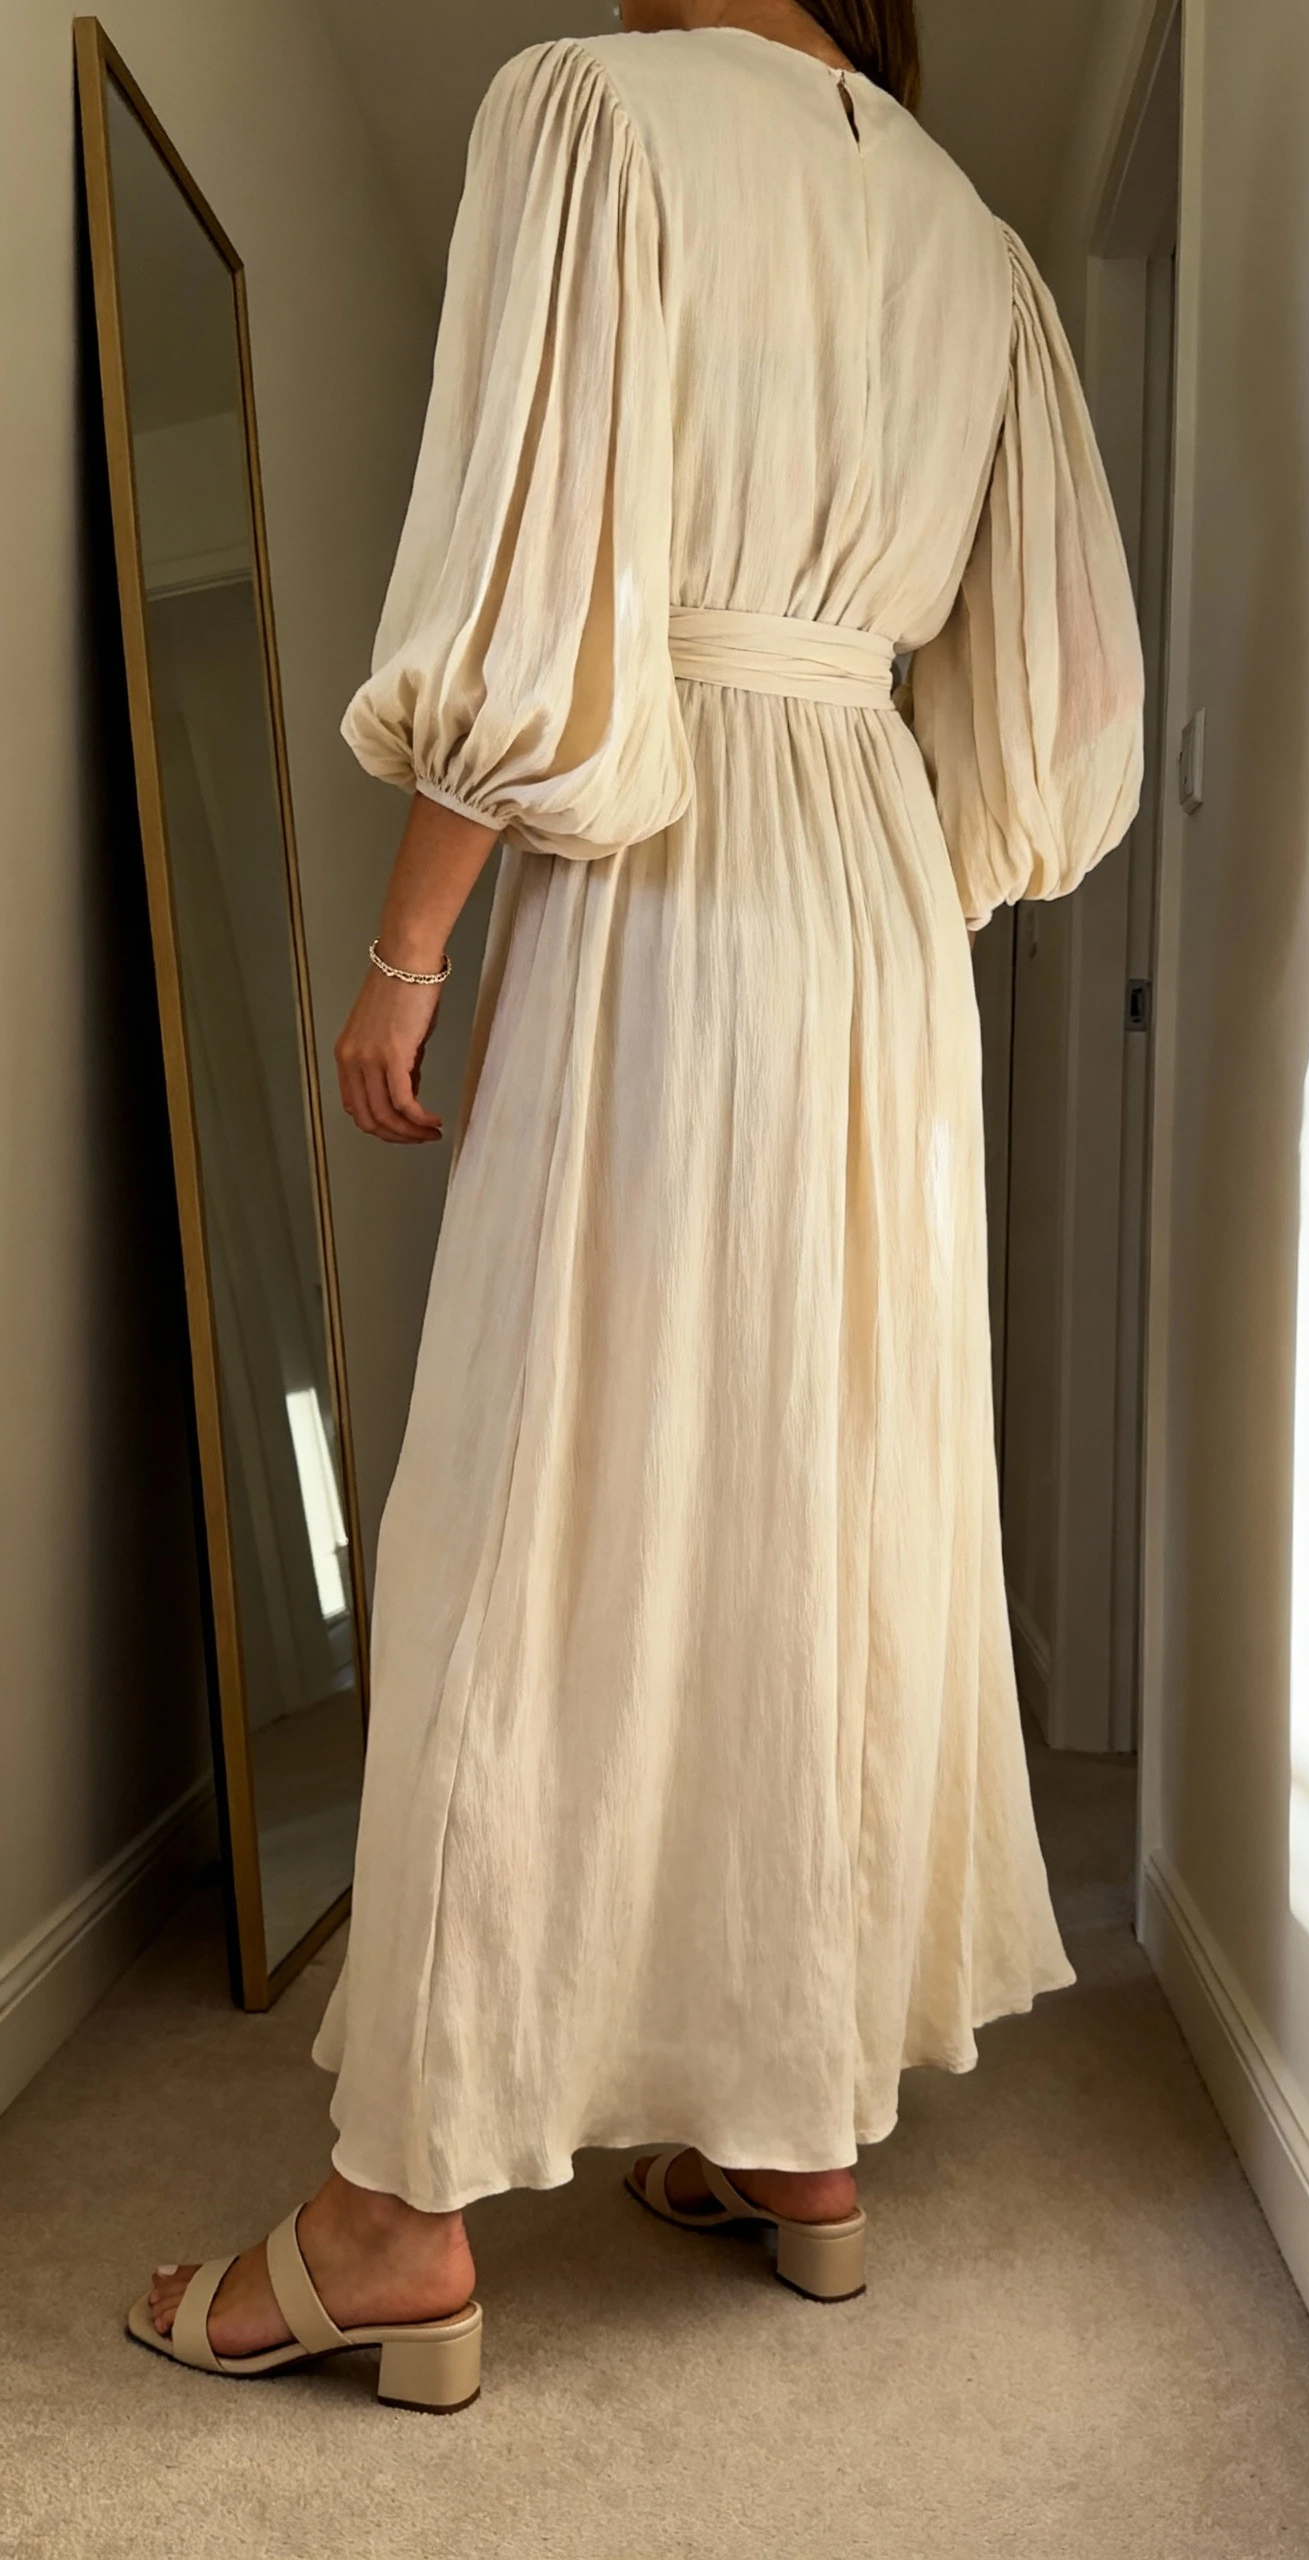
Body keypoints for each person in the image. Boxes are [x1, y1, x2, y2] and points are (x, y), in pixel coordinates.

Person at [134, 0, 1143, 2406]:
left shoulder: (587, 114)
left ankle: (394, 2222)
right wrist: (884, 855)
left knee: (549, 1489)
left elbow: (529, 556)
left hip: (664, 860)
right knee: (821, 1493)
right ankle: (799, 2137)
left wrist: (406, 948)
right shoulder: (971, 242)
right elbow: (1059, 706)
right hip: (874, 901)